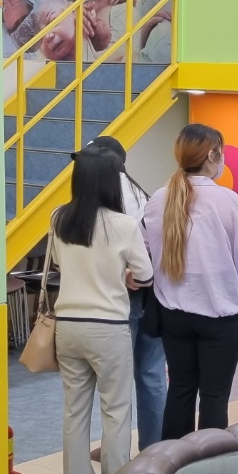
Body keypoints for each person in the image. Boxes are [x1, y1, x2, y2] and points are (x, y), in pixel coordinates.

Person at [141, 124, 238, 440]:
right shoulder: (227, 200)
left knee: (180, 390)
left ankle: (173, 460)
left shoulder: (158, 198)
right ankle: (208, 463)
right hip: (219, 315)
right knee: (214, 396)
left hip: (173, 314)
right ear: (213, 155)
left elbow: (143, 248)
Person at [50, 146, 153, 474]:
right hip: (108, 327)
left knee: (74, 411)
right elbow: (145, 274)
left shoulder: (58, 218)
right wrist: (122, 274)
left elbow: (61, 264)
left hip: (67, 326)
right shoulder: (124, 225)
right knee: (116, 410)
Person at [86, 136, 167, 451]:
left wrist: (125, 274)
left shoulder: (102, 196)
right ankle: (154, 449)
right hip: (153, 293)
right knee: (152, 374)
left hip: (121, 296)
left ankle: (115, 451)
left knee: (116, 381)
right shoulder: (139, 192)